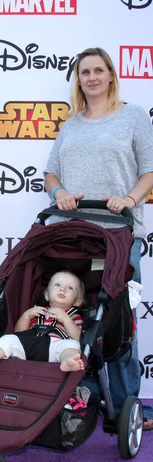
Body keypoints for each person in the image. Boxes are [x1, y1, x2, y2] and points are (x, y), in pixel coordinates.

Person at [44, 47, 153, 431]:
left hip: (120, 236)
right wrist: (58, 193)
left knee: (118, 324)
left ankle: (127, 405)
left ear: (110, 75)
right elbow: (51, 174)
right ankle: (83, 395)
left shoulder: (133, 116)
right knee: (78, 319)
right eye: (84, 72)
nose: (90, 77)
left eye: (98, 70)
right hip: (77, 239)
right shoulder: (70, 125)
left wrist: (129, 199)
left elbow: (149, 171)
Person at [0, 271, 85, 372]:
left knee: (72, 345)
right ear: (47, 295)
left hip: (55, 347)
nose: (62, 289)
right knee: (9, 339)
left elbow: (77, 338)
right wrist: (26, 315)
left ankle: (67, 361)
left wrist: (65, 319)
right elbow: (19, 332)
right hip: (29, 344)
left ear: (77, 301)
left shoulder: (73, 317)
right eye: (57, 285)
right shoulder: (38, 312)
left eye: (70, 288)